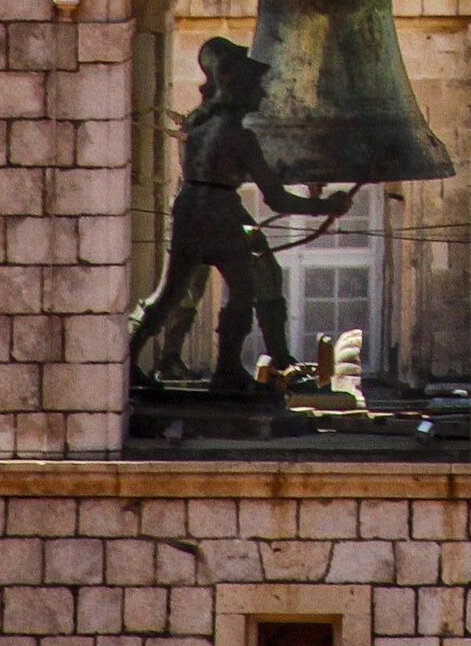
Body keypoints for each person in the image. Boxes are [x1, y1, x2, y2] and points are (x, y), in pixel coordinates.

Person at [129, 39, 357, 394]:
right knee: (243, 291)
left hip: (189, 209)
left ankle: (125, 361)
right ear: (240, 90)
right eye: (256, 88)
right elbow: (277, 199)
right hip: (219, 214)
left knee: (167, 294)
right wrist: (326, 207)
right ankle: (228, 370)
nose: (262, 96)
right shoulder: (240, 136)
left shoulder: (197, 124)